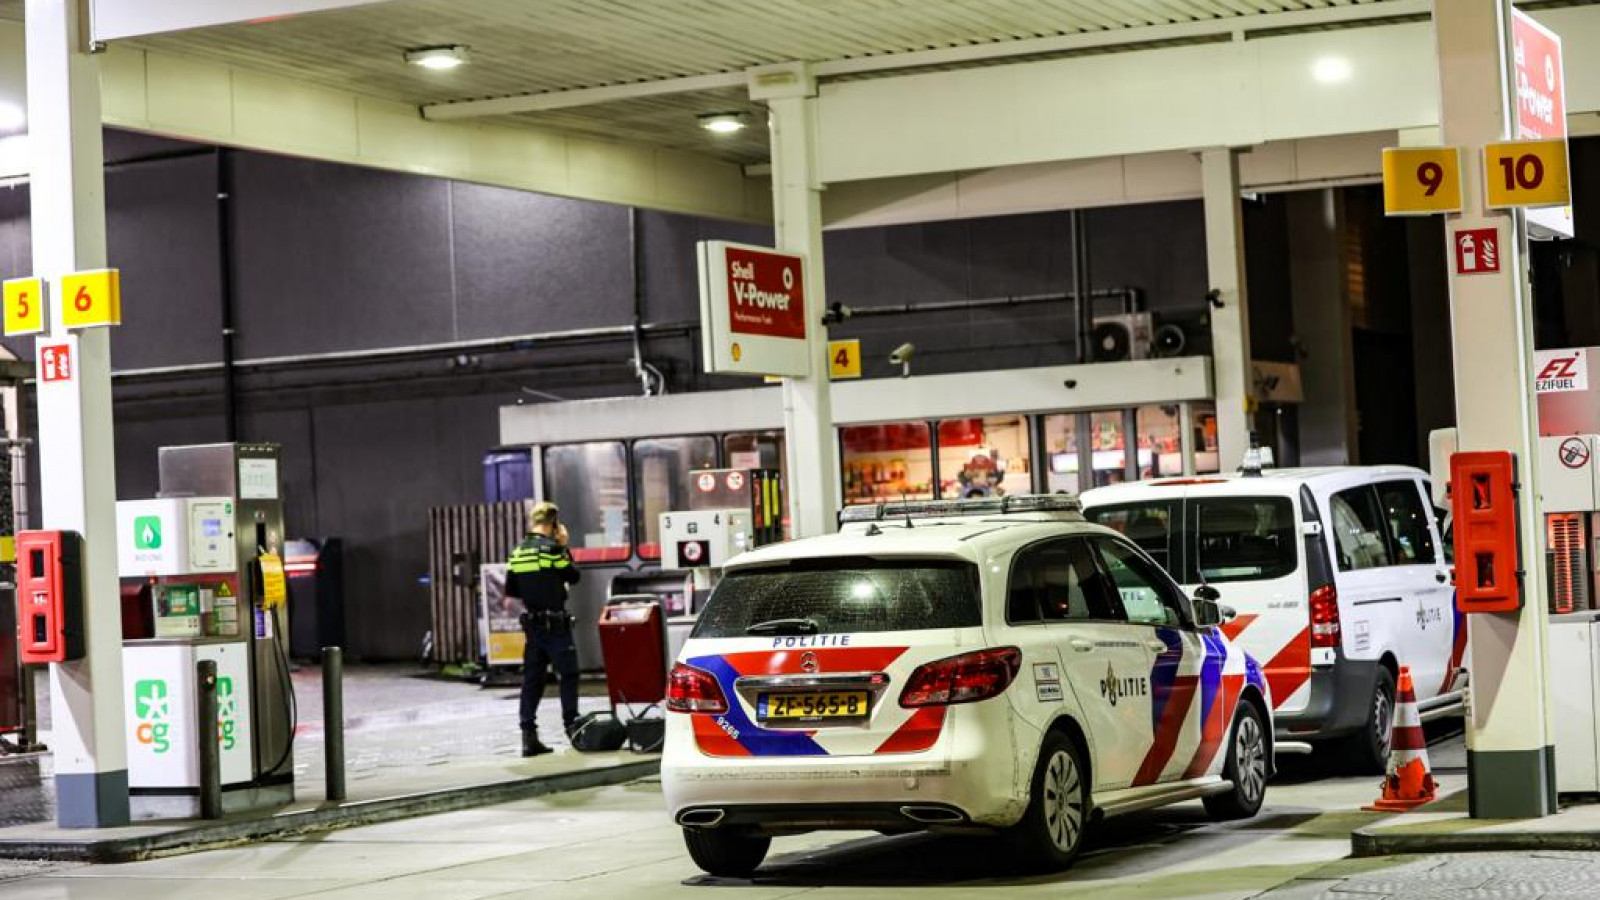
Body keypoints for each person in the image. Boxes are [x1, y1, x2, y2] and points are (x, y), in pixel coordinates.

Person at [505, 501, 581, 757]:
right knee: (568, 674)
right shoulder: (551, 550)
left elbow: (511, 595)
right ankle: (574, 729)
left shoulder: (517, 553)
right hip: (556, 626)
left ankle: (528, 736)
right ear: (553, 523)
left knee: (532, 681)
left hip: (533, 628)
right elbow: (573, 576)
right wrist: (563, 546)